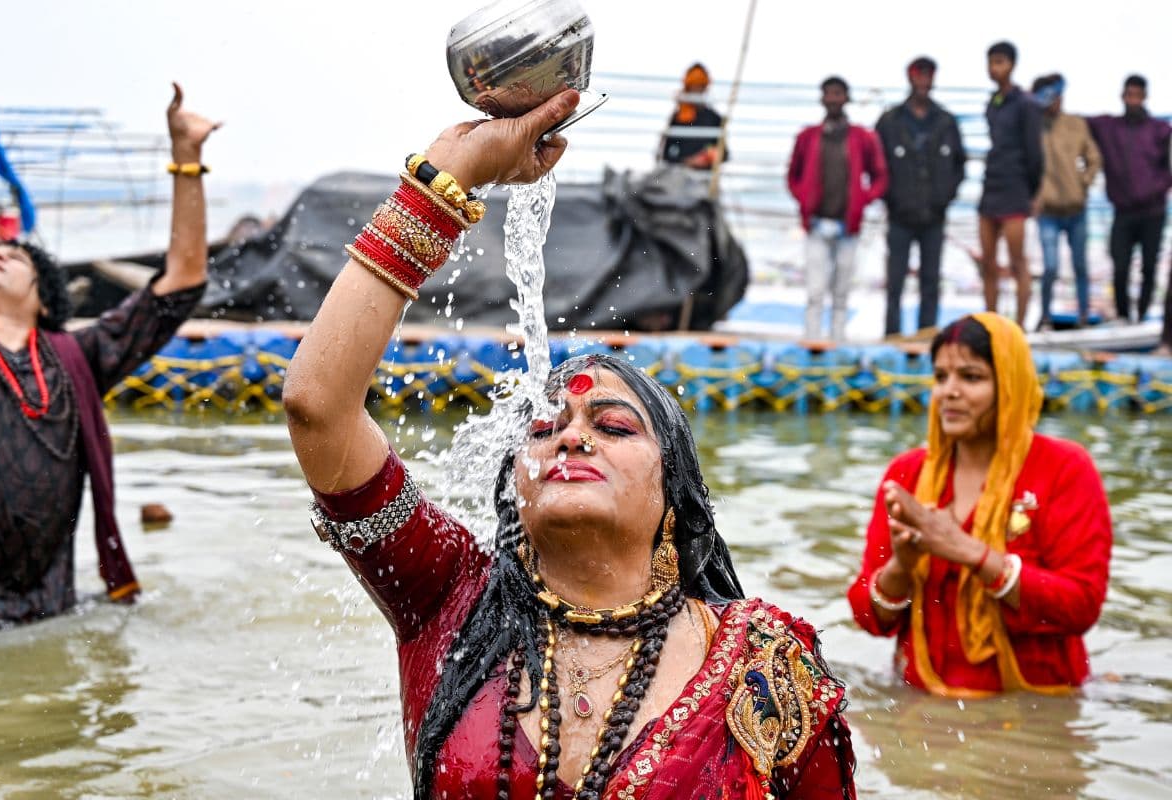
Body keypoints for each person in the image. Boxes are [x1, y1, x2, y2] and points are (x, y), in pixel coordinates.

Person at [285, 91, 857, 799]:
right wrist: (445, 175)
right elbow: (319, 407)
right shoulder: (451, 600)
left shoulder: (766, 668)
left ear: (673, 494)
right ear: (516, 489)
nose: (572, 434)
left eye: (614, 427)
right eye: (543, 427)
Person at [0, 85, 217, 629]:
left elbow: (181, 281)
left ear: (45, 299)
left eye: (12, 255)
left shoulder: (74, 357)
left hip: (48, 615)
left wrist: (185, 158)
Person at [847, 313, 1112, 696]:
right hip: (920, 708)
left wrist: (974, 554)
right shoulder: (908, 475)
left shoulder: (1064, 469)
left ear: (1010, 385)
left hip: (1035, 713)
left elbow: (1082, 604)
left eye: (971, 377)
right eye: (941, 377)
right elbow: (869, 618)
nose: (949, 392)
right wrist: (901, 568)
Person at [788, 76, 888, 342]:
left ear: (846, 97)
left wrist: (863, 200)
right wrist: (803, 198)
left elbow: (880, 176)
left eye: (837, 93)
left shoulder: (862, 137)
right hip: (816, 223)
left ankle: (837, 343)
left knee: (842, 291)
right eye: (828, 93)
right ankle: (812, 342)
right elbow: (792, 175)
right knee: (815, 290)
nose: (833, 99)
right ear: (822, 98)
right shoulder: (807, 137)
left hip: (848, 225)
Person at [875, 56, 967, 337]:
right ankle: (892, 332)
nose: (923, 81)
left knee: (931, 278)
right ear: (909, 77)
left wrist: (944, 197)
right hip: (900, 214)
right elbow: (876, 163)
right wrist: (891, 197)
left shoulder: (946, 121)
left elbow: (959, 165)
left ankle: (927, 333)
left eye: (928, 75)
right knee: (895, 279)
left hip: (934, 215)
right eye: (918, 75)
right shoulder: (890, 121)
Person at [1087, 75, 1172, 324]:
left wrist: (1156, 189)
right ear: (1122, 96)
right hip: (1122, 211)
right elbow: (1073, 122)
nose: (1132, 100)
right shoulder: (1109, 127)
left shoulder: (1160, 130)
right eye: (1128, 95)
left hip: (1153, 211)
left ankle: (1143, 314)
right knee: (1120, 265)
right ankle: (1123, 315)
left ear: (1144, 97)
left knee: (1149, 267)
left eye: (1137, 95)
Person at [978, 41, 1044, 325]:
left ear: (1012, 65)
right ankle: (992, 324)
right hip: (991, 186)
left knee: (1018, 262)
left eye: (1001, 62)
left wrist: (1032, 193)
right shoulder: (993, 103)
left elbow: (1035, 153)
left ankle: (1019, 327)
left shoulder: (1027, 103)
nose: (995, 68)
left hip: (1016, 189)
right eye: (991, 62)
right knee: (988, 263)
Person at [1031, 74, 1102, 329]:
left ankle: (1083, 317)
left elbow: (1094, 158)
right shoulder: (1034, 126)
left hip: (1076, 209)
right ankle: (1045, 317)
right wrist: (1034, 195)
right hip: (1047, 211)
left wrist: (1082, 183)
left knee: (1080, 266)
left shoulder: (1075, 124)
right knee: (1049, 268)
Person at [659, 63, 727, 170]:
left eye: (700, 86)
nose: (697, 90)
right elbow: (665, 155)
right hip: (680, 176)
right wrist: (687, 162)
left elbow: (725, 154)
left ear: (705, 88)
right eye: (694, 86)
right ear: (688, 87)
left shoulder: (714, 118)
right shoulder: (678, 119)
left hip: (705, 178)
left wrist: (712, 156)